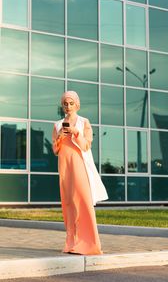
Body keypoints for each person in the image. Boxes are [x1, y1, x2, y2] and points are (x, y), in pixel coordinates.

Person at [52, 90, 108, 255]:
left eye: (71, 103)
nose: (68, 106)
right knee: (68, 204)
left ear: (77, 104)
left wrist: (76, 132)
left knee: (83, 202)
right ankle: (71, 243)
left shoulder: (84, 122)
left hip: (80, 166)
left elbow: (86, 146)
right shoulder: (57, 125)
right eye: (65, 103)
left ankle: (89, 244)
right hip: (64, 167)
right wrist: (61, 135)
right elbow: (55, 149)